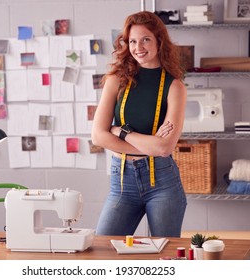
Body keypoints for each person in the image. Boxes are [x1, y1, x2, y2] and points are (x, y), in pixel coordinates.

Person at [91, 11, 187, 237]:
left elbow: (164, 148)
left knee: (165, 257)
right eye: (132, 41)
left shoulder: (175, 88)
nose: (138, 47)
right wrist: (149, 145)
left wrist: (120, 132)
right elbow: (98, 136)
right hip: (122, 181)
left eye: (145, 39)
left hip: (163, 183)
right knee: (103, 250)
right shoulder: (116, 80)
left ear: (159, 41)